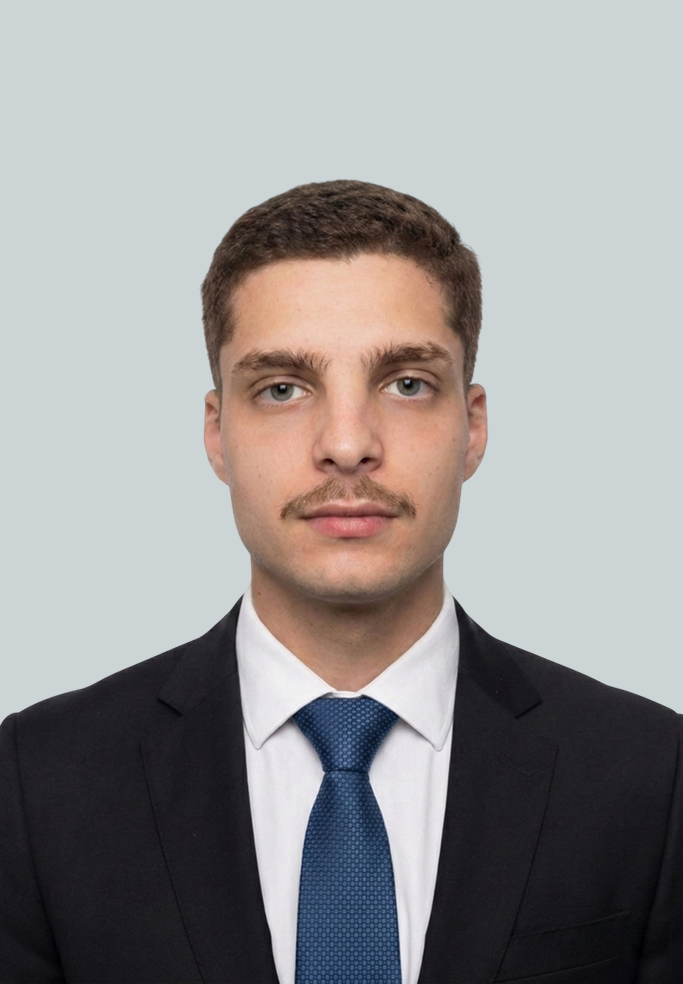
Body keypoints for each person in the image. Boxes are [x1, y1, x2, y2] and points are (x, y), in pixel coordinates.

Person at [1, 180, 680, 984]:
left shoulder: (650, 776)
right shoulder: (38, 783)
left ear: (472, 427)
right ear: (217, 434)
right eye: (282, 388)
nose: (348, 444)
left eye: (406, 383)